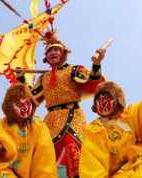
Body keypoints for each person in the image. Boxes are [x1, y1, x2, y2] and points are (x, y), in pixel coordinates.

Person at [24, 31, 106, 178]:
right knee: (45, 153)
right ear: (46, 58)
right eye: (49, 51)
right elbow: (31, 99)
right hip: (50, 120)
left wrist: (96, 64)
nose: (52, 53)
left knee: (71, 149)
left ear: (63, 53)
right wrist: (21, 80)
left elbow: (93, 85)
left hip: (72, 116)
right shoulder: (43, 77)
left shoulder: (74, 70)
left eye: (56, 49)